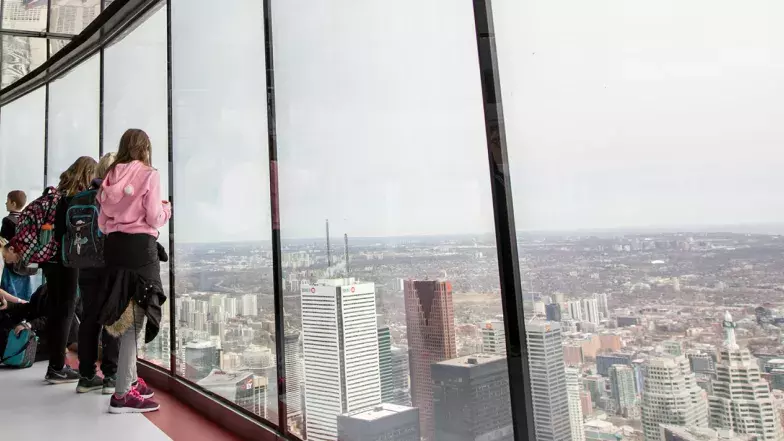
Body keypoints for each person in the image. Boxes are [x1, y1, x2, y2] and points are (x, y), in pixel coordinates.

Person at [95, 129, 169, 414]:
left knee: (123, 313)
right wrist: (166, 210)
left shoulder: (110, 177)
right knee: (134, 320)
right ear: (145, 147)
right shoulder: (149, 174)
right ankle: (123, 394)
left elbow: (102, 222)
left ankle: (129, 381)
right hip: (140, 251)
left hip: (114, 249)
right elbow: (153, 216)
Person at [6, 156, 97, 383]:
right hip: (67, 260)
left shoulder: (54, 196)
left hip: (48, 260)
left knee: (57, 310)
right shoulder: (77, 199)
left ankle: (56, 365)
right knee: (65, 311)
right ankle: (57, 367)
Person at [76, 152, 121, 395]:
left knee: (89, 320)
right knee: (112, 319)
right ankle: (111, 376)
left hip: (85, 265)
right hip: (109, 265)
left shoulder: (81, 198)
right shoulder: (112, 198)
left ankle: (85, 376)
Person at [0, 284, 80, 363]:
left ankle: (63, 347)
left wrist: (29, 324)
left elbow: (56, 318)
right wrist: (8, 305)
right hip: (46, 330)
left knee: (21, 351)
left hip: (61, 333)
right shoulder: (44, 288)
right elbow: (30, 308)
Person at [0, 190, 32, 301]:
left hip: (11, 267)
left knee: (10, 295)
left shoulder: (8, 221)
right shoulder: (27, 220)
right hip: (25, 267)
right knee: (24, 296)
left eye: (7, 201)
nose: (5, 203)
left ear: (13, 204)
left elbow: (4, 243)